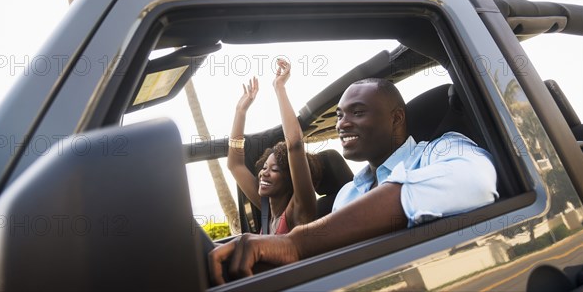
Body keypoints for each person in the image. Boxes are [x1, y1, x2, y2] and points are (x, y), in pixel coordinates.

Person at [209, 78, 498, 284]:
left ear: (396, 118)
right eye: (339, 115)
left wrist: (294, 244)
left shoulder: (440, 150)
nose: (341, 124)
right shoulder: (348, 193)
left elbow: (476, 182)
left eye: (357, 112)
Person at [227, 58, 320, 235]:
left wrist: (279, 87)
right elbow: (235, 165)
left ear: (290, 178)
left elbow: (294, 144)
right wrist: (240, 112)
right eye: (264, 167)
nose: (264, 173)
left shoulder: (299, 211)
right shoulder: (267, 210)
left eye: (274, 169)